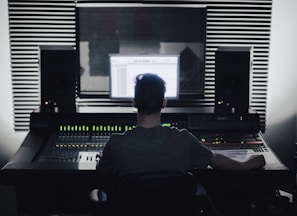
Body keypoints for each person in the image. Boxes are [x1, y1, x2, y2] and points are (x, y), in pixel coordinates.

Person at [96, 73, 266, 215]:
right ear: (164, 103)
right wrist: (246, 164)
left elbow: (104, 172)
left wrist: (102, 159)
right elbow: (216, 161)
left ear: (134, 102)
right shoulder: (184, 139)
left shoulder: (117, 143)